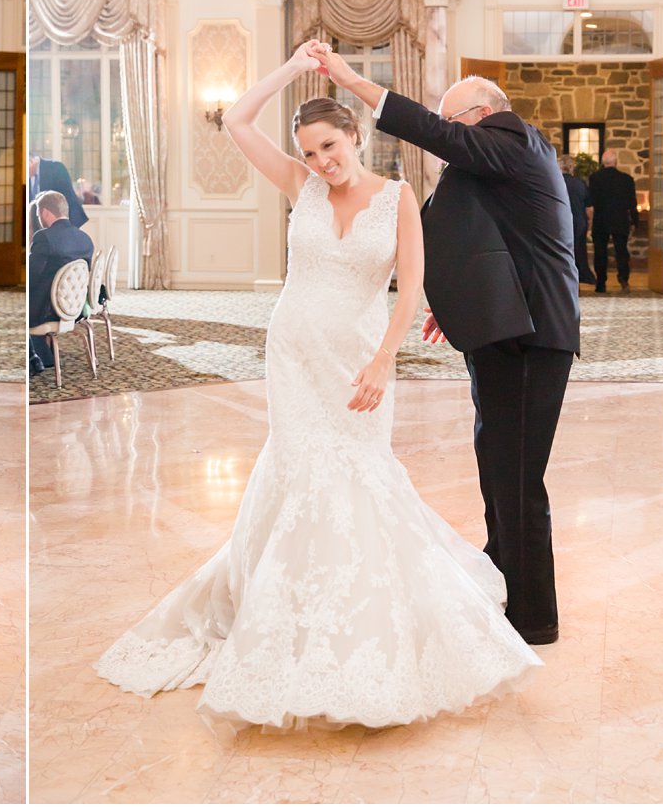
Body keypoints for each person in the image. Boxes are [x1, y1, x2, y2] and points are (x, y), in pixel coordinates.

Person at [96, 44, 540, 729]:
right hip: (293, 358)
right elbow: (239, 121)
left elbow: (412, 286)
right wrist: (294, 69)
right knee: (297, 471)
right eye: (309, 152)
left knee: (358, 477)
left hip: (358, 361)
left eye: (329, 146)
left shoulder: (397, 200)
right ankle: (282, 609)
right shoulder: (299, 186)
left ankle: (354, 622)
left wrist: (386, 358)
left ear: (356, 136)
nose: (321, 162)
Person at [317, 46, 578, 645]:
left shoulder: (515, 139)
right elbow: (481, 238)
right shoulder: (491, 167)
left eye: (451, 118)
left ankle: (535, 617)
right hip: (502, 330)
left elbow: (441, 139)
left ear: (483, 114)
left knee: (517, 475)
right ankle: (500, 577)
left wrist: (354, 81)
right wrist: (453, 298)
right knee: (497, 463)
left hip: (531, 335)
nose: (446, 130)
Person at [27, 190, 95, 377]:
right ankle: (42, 355)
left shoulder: (45, 238)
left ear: (46, 213)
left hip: (47, 311)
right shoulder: (85, 239)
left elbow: (31, 277)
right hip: (76, 309)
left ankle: (35, 359)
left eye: (39, 213)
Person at [587, 150, 638, 294]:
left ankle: (601, 283)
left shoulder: (594, 178)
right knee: (621, 251)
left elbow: (591, 201)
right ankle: (624, 280)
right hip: (619, 219)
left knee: (600, 252)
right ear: (616, 162)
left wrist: (590, 220)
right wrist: (635, 221)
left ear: (603, 163)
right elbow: (632, 203)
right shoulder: (626, 179)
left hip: (601, 219)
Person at [558, 155, 596, 286]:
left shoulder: (555, 182)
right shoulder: (580, 183)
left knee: (561, 253)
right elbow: (589, 208)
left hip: (560, 223)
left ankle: (564, 283)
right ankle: (578, 279)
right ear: (572, 167)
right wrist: (589, 223)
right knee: (578, 252)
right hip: (579, 222)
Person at [27, 154, 87, 233]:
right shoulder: (28, 177)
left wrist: (68, 230)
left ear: (32, 161)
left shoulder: (55, 168)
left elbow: (69, 199)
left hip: (59, 224)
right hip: (34, 227)